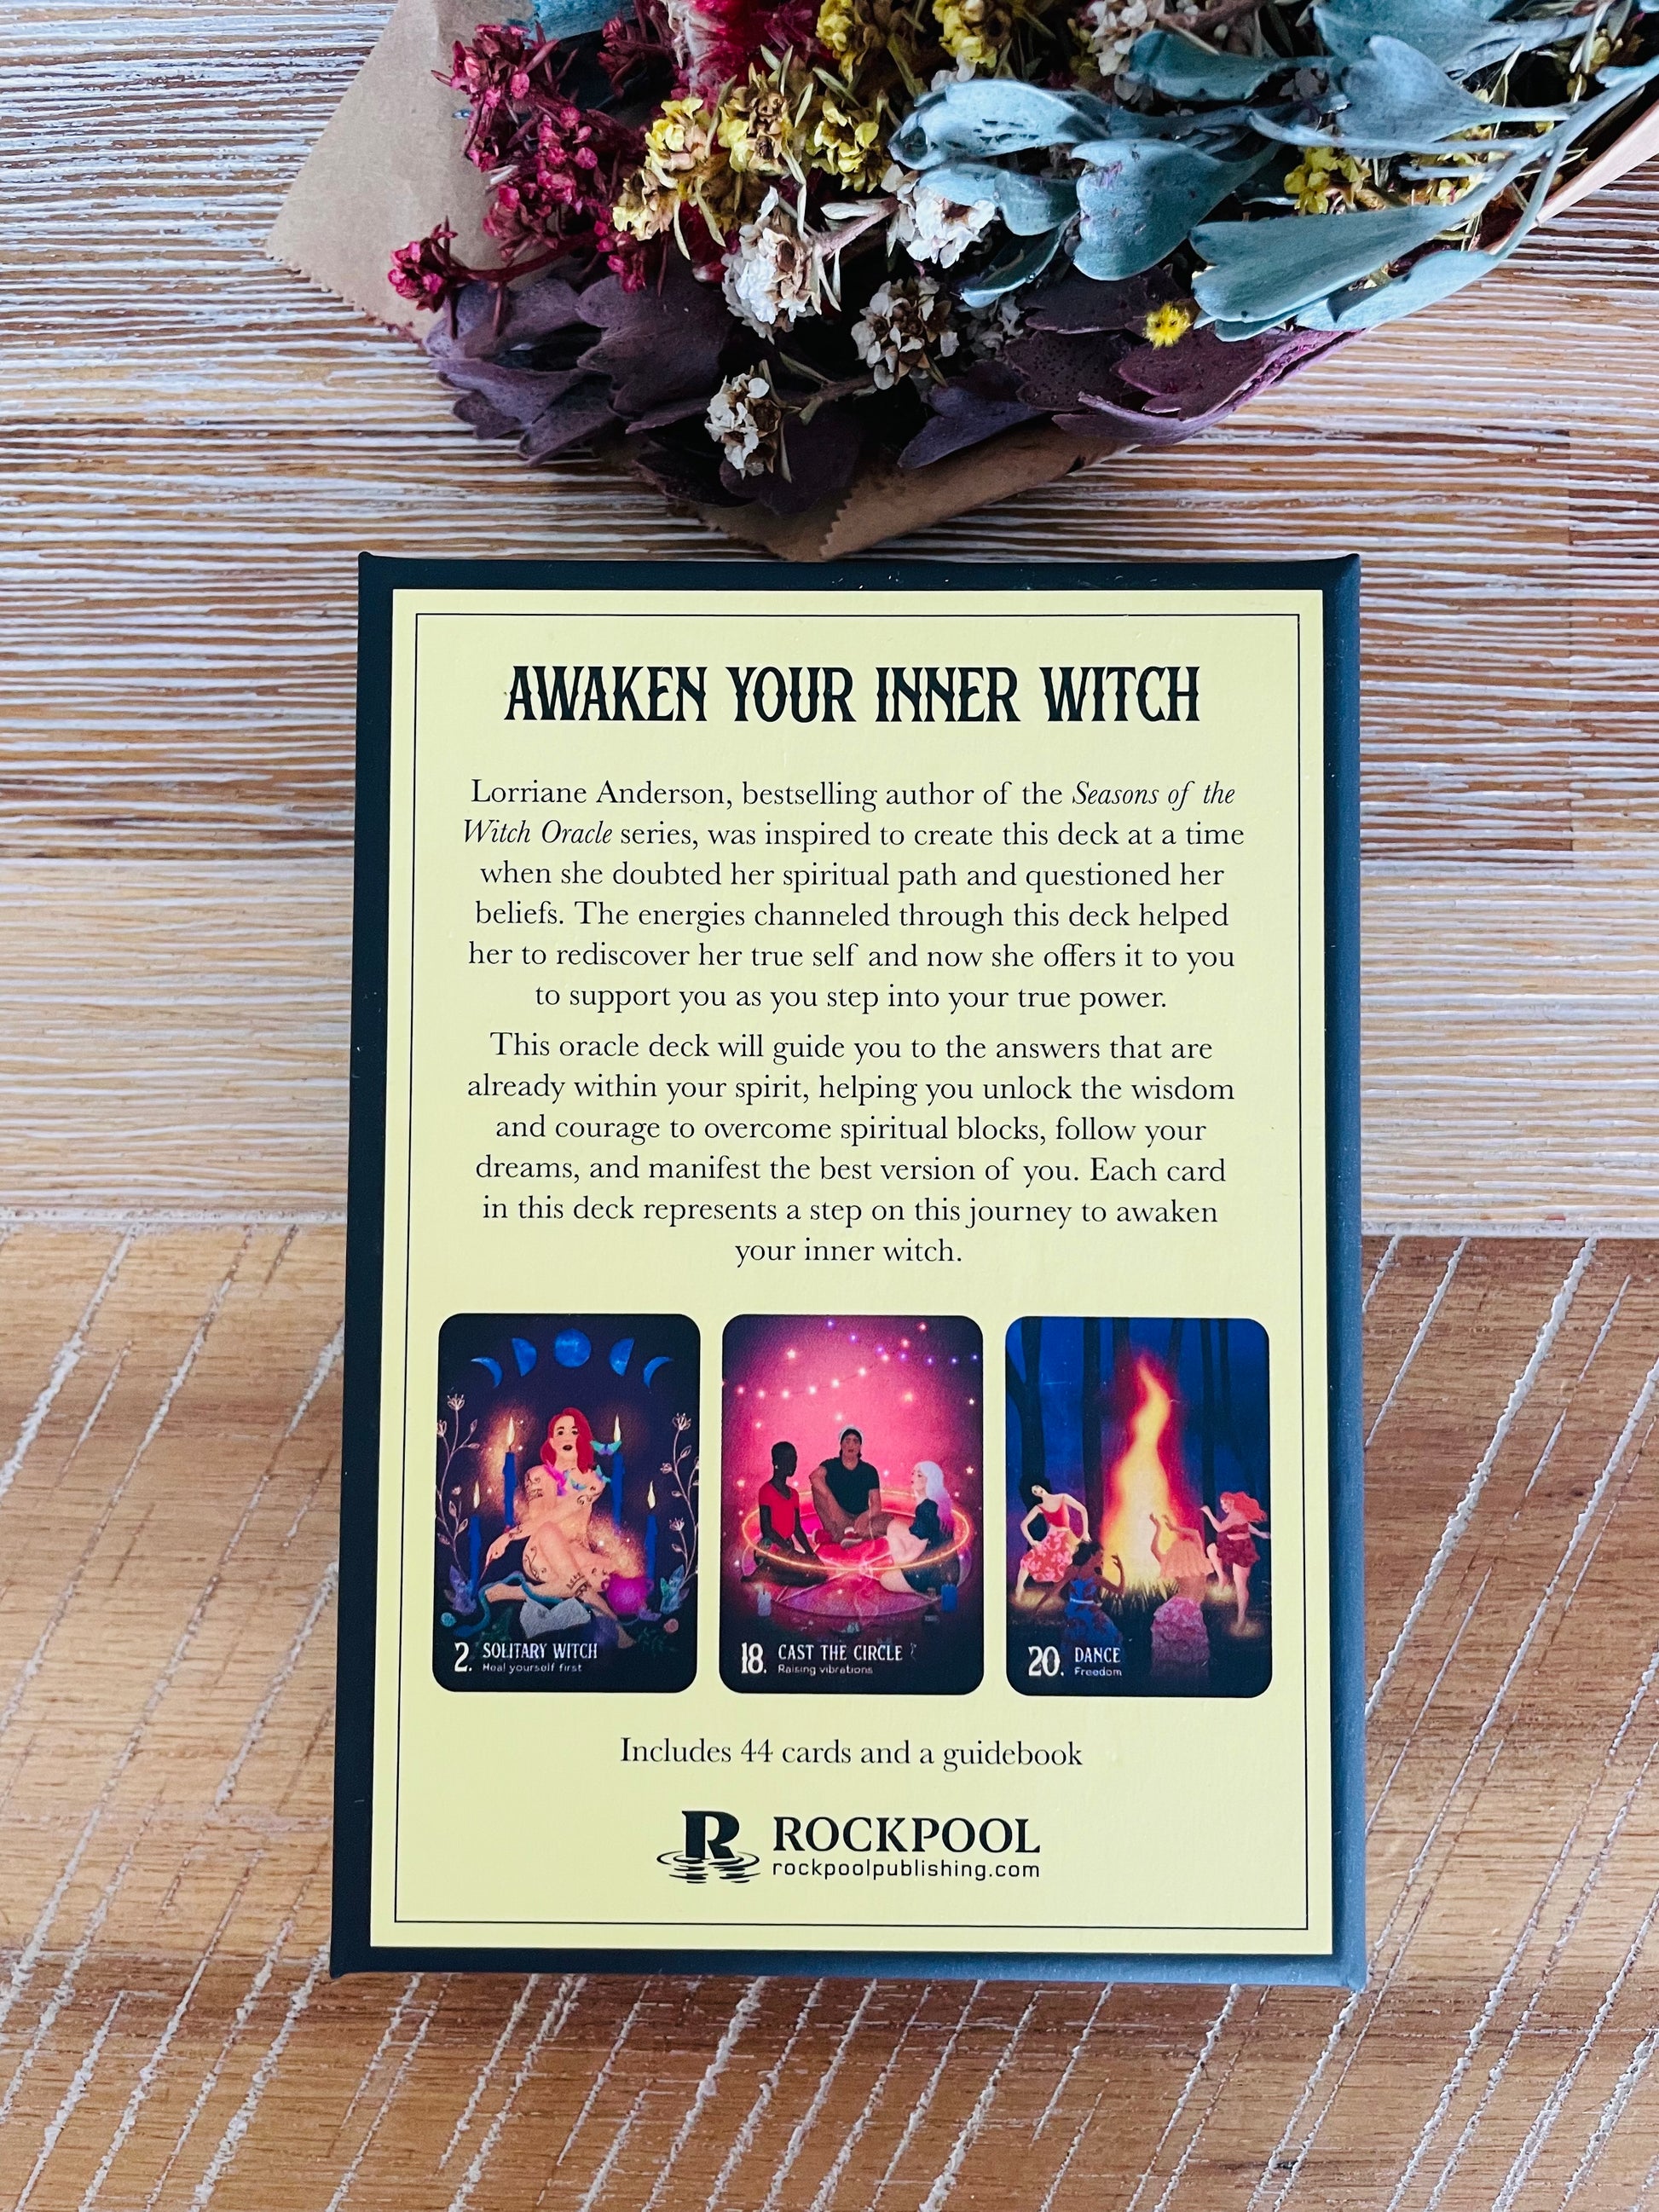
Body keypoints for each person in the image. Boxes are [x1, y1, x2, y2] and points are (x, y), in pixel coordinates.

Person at [880, 1463, 961, 1596]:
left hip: (934, 1577)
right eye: (913, 1473)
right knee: (895, 1526)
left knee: (885, 1579)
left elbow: (917, 1548)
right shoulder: (940, 1504)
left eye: (919, 1475)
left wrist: (901, 1564)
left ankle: (926, 1592)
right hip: (950, 1571)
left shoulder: (926, 1508)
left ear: (929, 1481)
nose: (913, 1477)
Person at [750, 1441, 818, 1585]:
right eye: (789, 1460)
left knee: (818, 1571)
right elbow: (767, 1529)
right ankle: (769, 1571)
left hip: (787, 1548)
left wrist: (810, 1553)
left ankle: (772, 1573)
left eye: (795, 1460)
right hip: (770, 1548)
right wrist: (788, 1550)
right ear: (776, 1462)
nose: (793, 1464)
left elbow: (797, 1529)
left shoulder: (793, 1494)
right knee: (807, 1576)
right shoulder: (766, 1491)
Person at [809, 1427, 888, 1545]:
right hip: (838, 1518)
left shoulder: (869, 1470)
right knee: (817, 1488)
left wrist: (867, 1515)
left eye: (856, 1441)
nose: (851, 1445)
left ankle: (842, 1536)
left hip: (860, 1520)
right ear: (841, 1444)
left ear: (860, 1446)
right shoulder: (830, 1465)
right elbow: (814, 1477)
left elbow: (877, 1505)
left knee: (887, 1521)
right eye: (847, 1440)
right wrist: (830, 1498)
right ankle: (847, 1535)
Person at [1204, 1491, 1270, 1629]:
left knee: (1240, 1584)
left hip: (1242, 1550)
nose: (1223, 1506)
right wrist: (1260, 1533)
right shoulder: (1236, 1514)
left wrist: (1208, 1513)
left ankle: (1241, 1618)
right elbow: (1246, 1526)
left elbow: (1220, 1528)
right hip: (1230, 1546)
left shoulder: (1236, 1514)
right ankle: (1222, 1578)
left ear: (1232, 1501)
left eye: (1225, 1502)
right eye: (1221, 1504)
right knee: (1212, 1549)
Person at [1014, 1485, 1089, 1606]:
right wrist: (1032, 1541)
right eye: (1035, 1492)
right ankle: (1019, 1590)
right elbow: (1023, 1525)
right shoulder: (1039, 1507)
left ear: (1042, 1486)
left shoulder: (1063, 1497)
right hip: (1051, 1540)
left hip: (1066, 1539)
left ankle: (1073, 1597)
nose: (1038, 1491)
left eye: (1038, 1488)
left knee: (1069, 1566)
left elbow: (1083, 1510)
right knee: (1028, 1561)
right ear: (1035, 1495)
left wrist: (1085, 1532)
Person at [1149, 1510, 1210, 1605]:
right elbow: (1195, 1533)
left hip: (1178, 1605)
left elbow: (1154, 1549)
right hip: (1187, 1607)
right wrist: (1174, 1528)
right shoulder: (1199, 1560)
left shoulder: (1176, 1565)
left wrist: (1159, 1528)